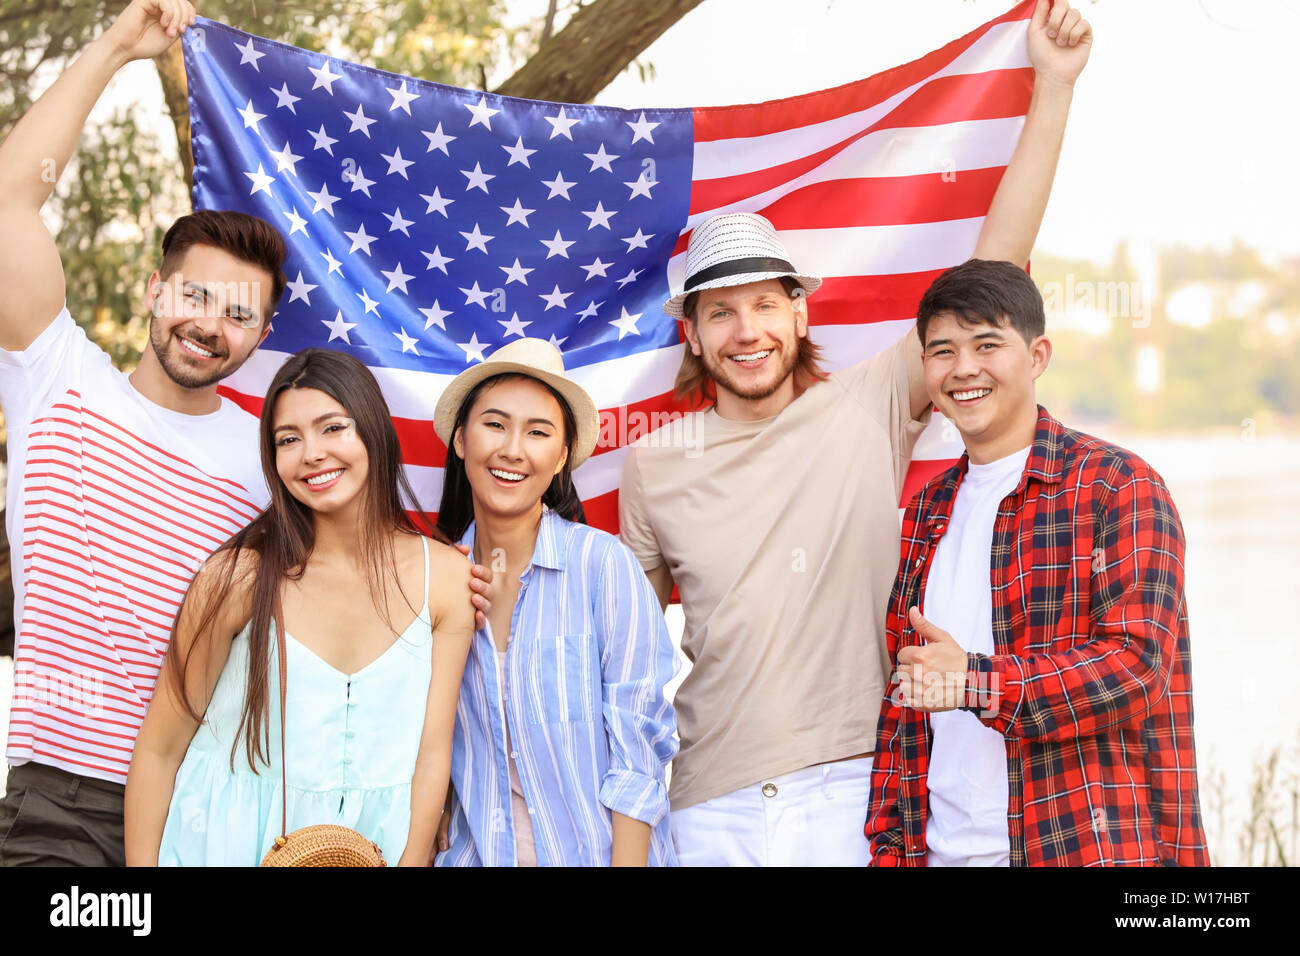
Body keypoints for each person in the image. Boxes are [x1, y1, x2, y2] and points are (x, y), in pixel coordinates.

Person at [617, 0, 1094, 865]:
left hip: (855, 789)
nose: (746, 330)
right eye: (720, 313)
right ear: (691, 333)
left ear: (800, 315)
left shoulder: (870, 402)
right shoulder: (653, 465)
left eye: (766, 304)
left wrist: (1052, 89)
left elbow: (990, 266)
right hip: (703, 804)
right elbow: (626, 652)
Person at [0, 1, 287, 866]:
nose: (211, 324)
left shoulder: (269, 463)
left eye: (240, 314)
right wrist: (120, 47)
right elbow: (13, 195)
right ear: (155, 292)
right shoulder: (56, 376)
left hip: (208, 808)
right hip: (59, 805)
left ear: (261, 338)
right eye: (196, 296)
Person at [864, 259, 1208, 866]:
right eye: (942, 350)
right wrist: (890, 851)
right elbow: (903, 709)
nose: (963, 368)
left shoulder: (1117, 485)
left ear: (1038, 355)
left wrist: (974, 681)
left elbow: (1135, 669)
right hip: (940, 851)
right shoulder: (923, 514)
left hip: (1076, 847)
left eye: (986, 344)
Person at [123, 349, 474, 866]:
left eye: (333, 428)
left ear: (373, 431)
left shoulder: (445, 578)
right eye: (288, 439)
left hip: (372, 848)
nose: (311, 453)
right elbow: (159, 751)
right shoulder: (238, 577)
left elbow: (431, 756)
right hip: (218, 846)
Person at [431, 338, 678, 867]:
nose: (513, 449)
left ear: (562, 456)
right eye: (494, 424)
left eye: (538, 432)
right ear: (460, 439)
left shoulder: (603, 566)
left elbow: (640, 745)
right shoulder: (434, 579)